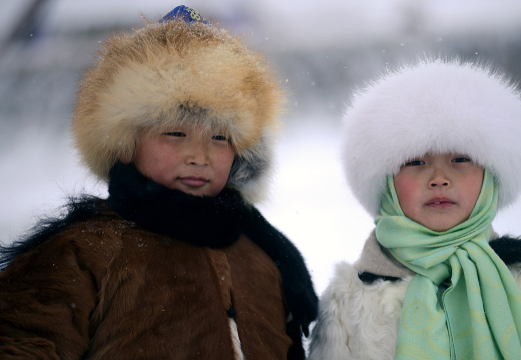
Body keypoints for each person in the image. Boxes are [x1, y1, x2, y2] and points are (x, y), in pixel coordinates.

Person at [0, 6, 317, 360]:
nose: (199, 155)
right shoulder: (81, 255)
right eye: (175, 132)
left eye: (219, 138)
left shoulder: (261, 256)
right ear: (124, 144)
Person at [308, 59, 521, 359]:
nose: (439, 179)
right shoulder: (349, 300)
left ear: (490, 177)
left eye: (460, 159)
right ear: (387, 185)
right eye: (415, 162)